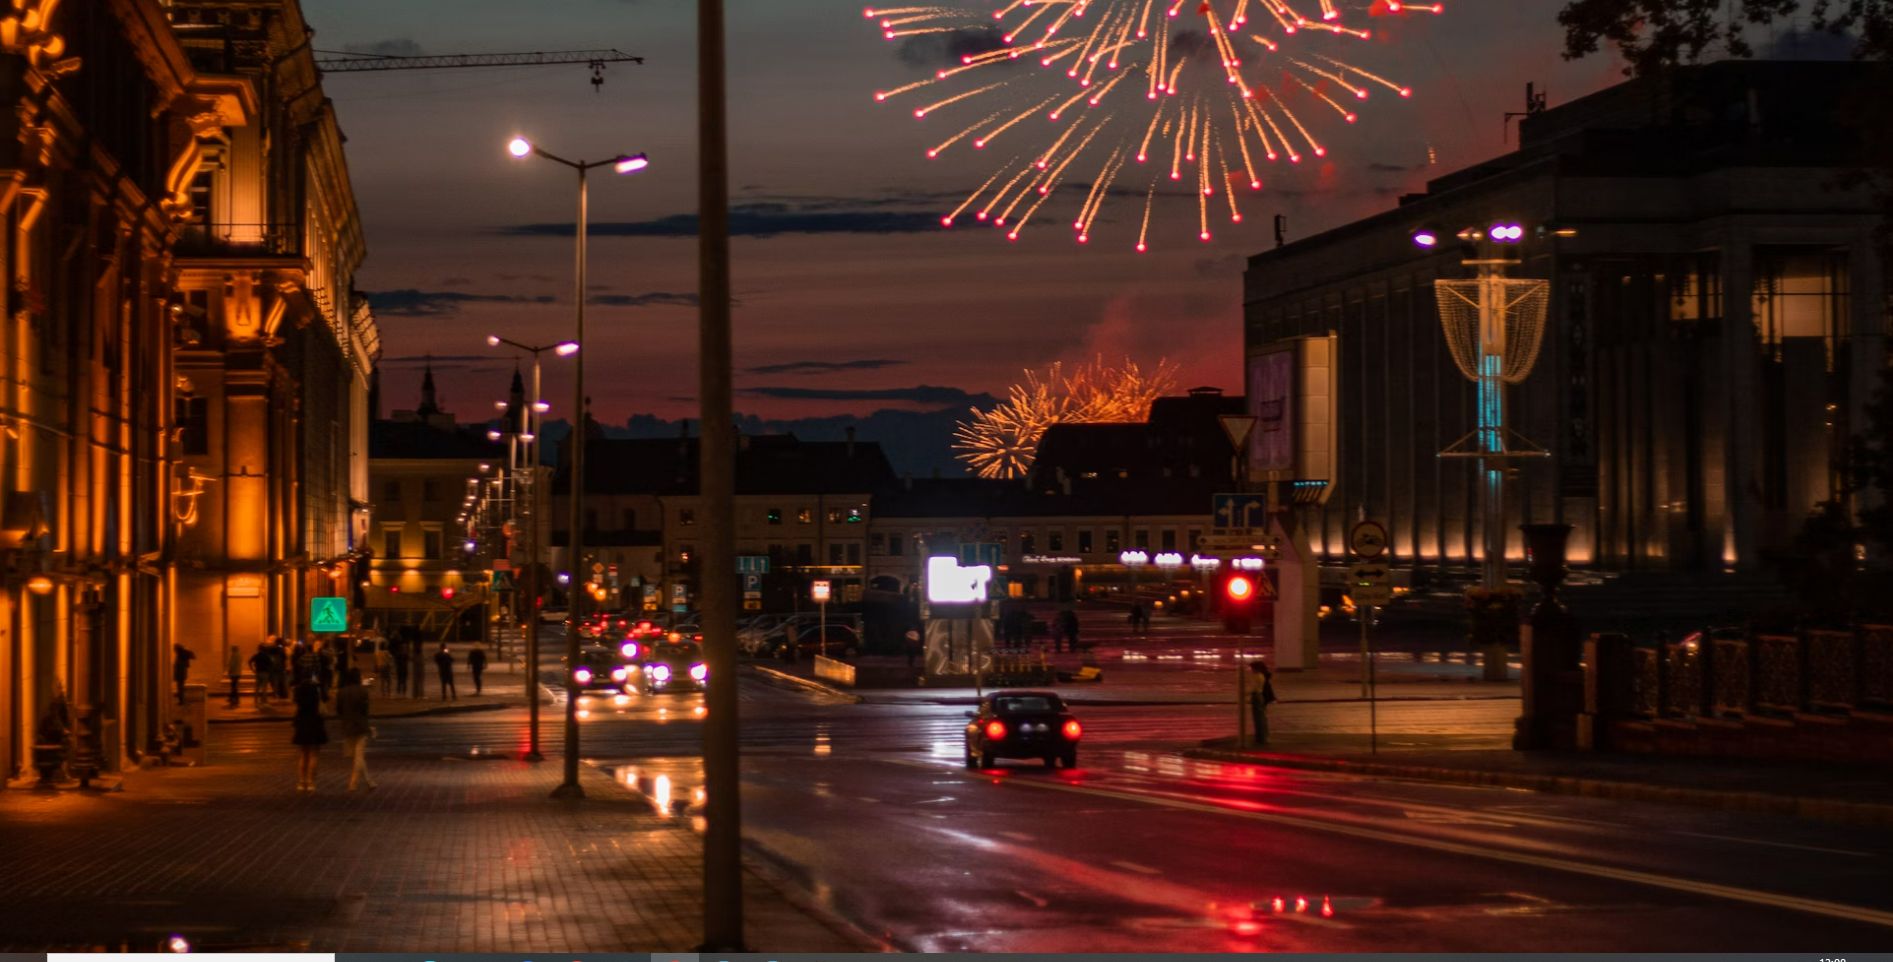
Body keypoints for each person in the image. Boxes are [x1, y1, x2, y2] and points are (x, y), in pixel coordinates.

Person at [334, 668, 376, 791]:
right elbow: (365, 710)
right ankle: (354, 783)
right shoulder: (363, 691)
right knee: (359, 756)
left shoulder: (341, 692)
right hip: (361, 725)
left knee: (356, 756)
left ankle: (368, 781)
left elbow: (339, 709)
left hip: (347, 725)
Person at [290, 677, 327, 793]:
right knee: (314, 754)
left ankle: (301, 782)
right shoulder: (316, 692)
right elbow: (324, 706)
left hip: (302, 723)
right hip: (314, 722)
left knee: (303, 754)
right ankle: (311, 782)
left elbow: (295, 707)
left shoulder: (299, 693)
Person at [1247, 660, 1276, 746]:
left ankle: (1262, 738)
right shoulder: (1263, 676)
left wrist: (1244, 692)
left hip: (1259, 697)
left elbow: (1255, 688)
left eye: (1252, 668)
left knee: (1260, 718)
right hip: (1262, 697)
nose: (1251, 670)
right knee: (1261, 718)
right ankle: (1262, 737)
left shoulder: (1259, 676)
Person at [248, 642, 273, 706]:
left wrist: (252, 669)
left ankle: (256, 700)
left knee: (257, 687)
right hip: (265, 673)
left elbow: (250, 661)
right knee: (264, 688)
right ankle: (264, 700)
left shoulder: (256, 655)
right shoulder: (266, 656)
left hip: (258, 672)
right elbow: (270, 664)